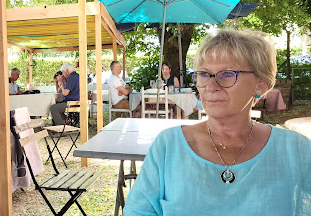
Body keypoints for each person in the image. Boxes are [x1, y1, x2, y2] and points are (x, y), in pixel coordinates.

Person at [124, 29, 311, 215]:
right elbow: (139, 210)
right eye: (204, 74)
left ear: (260, 84)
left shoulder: (295, 149)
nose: (211, 87)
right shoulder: (168, 146)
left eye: (227, 74)